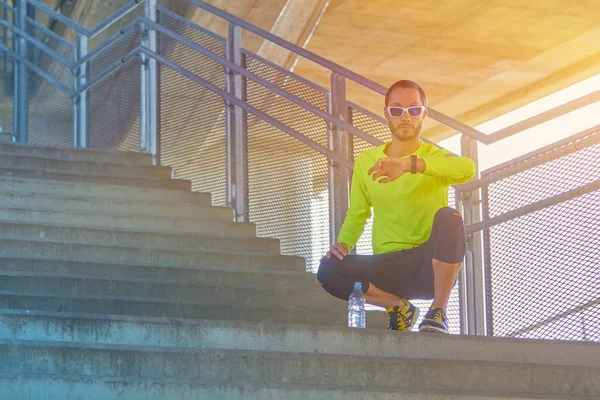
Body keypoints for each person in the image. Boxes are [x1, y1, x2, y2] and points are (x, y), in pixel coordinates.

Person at [317, 80, 476, 334]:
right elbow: (358, 215)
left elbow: (467, 169)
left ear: (424, 113)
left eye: (413, 110)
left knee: (451, 217)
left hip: (429, 268)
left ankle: (438, 312)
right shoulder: (367, 161)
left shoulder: (434, 159)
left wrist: (409, 165)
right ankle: (398, 307)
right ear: (386, 113)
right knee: (328, 269)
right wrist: (343, 244)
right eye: (397, 110)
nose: (405, 116)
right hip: (388, 267)